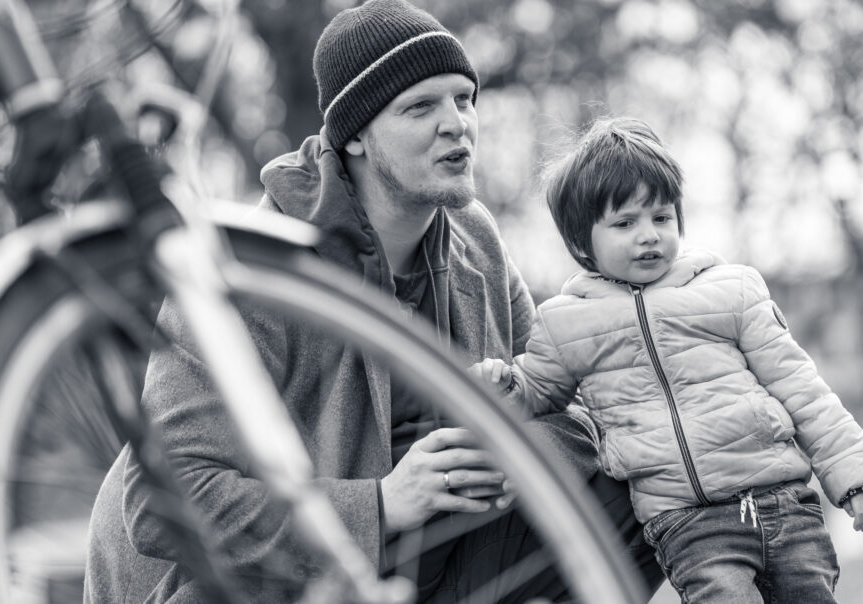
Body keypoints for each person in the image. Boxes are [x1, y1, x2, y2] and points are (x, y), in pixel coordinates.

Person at [84, 1, 663, 602]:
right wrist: (383, 504)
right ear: (355, 135)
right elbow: (159, 505)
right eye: (420, 106)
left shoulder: (476, 241)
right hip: (271, 582)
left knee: (646, 502)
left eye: (464, 99)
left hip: (423, 563)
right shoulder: (252, 275)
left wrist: (501, 459)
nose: (456, 124)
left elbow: (572, 408)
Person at [469, 116, 863, 603]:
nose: (648, 235)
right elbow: (537, 393)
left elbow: (801, 387)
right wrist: (502, 389)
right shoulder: (565, 326)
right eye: (625, 223)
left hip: (781, 501)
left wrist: (852, 472)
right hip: (687, 521)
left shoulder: (730, 291)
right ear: (583, 243)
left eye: (661, 217)